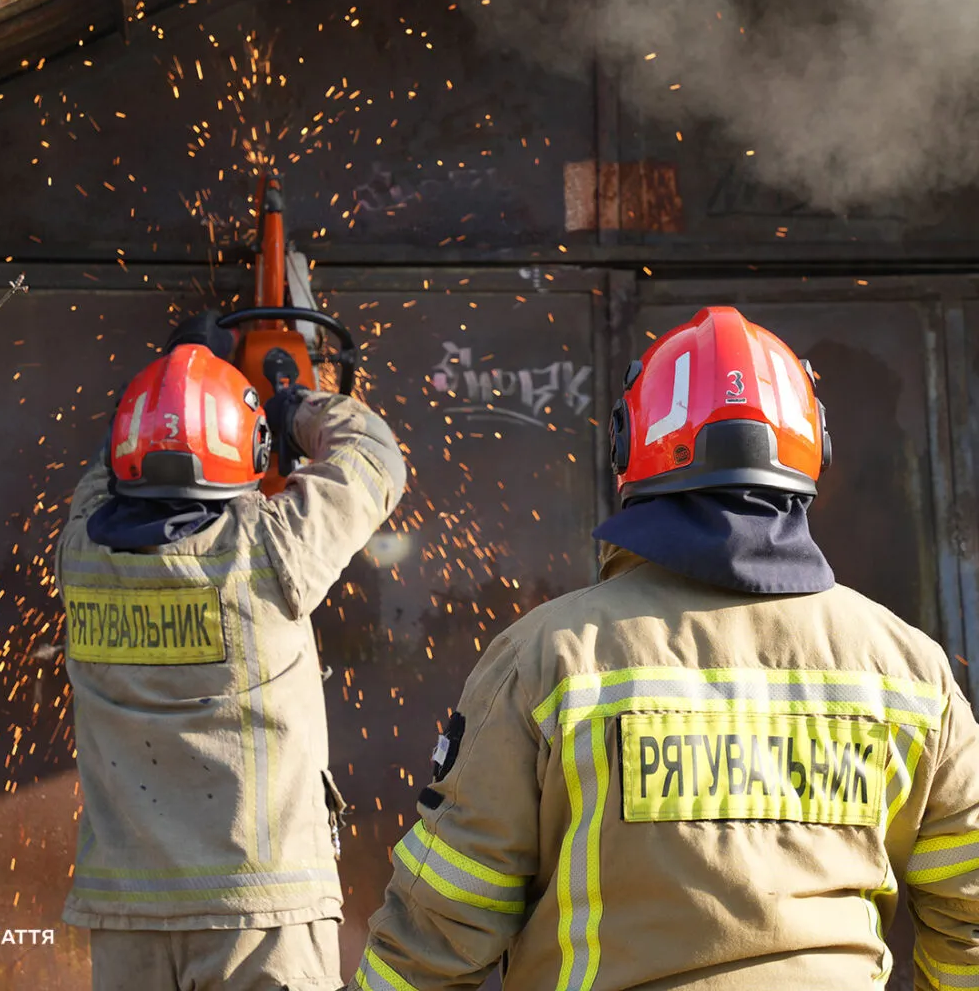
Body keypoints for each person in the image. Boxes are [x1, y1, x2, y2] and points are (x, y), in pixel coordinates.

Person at [347, 305, 979, 991]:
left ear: (629, 448)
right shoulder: (912, 670)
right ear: (813, 446)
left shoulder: (550, 657)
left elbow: (441, 925)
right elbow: (969, 916)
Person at [54, 313, 406, 991]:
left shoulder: (81, 552)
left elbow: (109, 469)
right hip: (261, 913)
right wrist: (294, 407)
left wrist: (170, 378)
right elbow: (374, 454)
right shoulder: (272, 549)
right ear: (250, 447)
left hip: (126, 914)